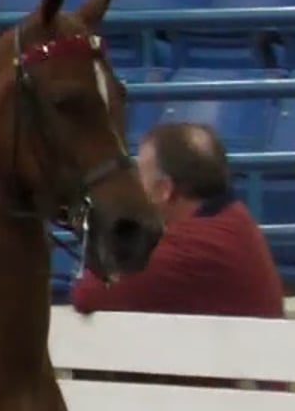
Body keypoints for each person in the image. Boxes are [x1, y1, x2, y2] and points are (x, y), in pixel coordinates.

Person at [68, 122, 283, 317]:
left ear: (164, 189)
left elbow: (88, 294)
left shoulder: (193, 249)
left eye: (139, 175)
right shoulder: (232, 217)